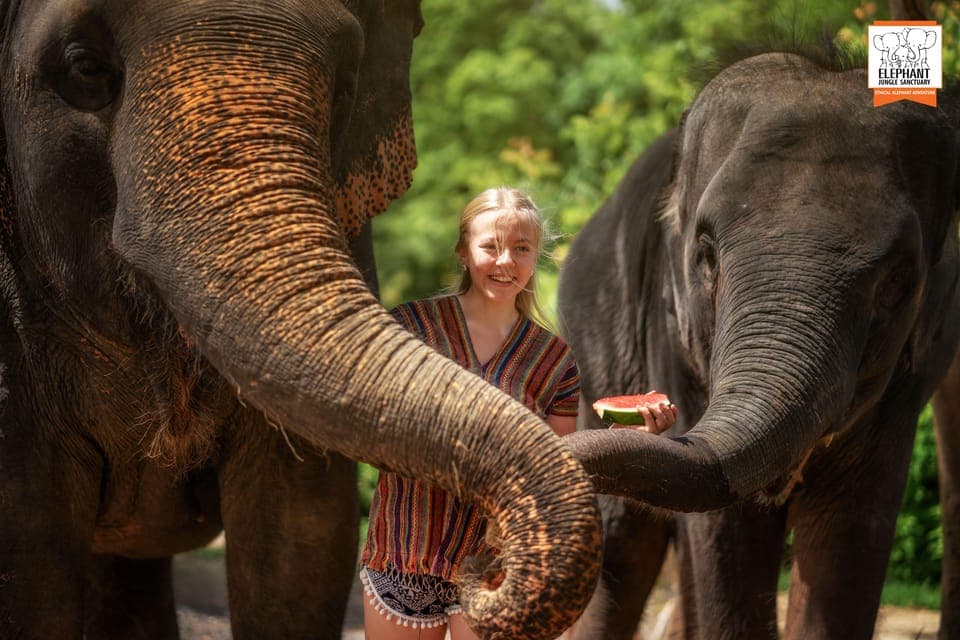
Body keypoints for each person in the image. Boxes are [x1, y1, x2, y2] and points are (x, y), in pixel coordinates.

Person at [359, 187, 677, 639]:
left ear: (535, 258)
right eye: (491, 246)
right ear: (464, 252)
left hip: (498, 561)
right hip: (408, 544)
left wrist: (633, 442)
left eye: (521, 248)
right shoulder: (411, 327)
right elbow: (372, 428)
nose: (506, 261)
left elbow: (556, 467)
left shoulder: (555, 361)